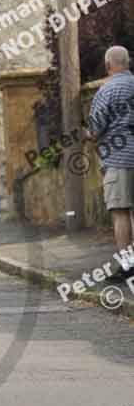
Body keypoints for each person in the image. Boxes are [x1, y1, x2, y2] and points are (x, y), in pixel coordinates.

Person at [88, 45, 134, 277]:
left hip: (119, 159)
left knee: (121, 212)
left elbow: (95, 129)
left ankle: (128, 265)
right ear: (128, 63)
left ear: (108, 65)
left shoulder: (106, 91)